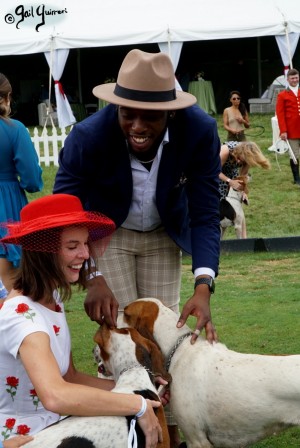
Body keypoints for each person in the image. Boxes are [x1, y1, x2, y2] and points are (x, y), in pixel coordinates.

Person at [53, 49, 221, 447]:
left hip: (164, 233)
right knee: (121, 340)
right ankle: (124, 433)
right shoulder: (89, 136)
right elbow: (66, 210)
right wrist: (91, 275)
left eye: (151, 116)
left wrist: (203, 285)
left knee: (162, 342)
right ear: (116, 105)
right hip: (109, 234)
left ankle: (169, 435)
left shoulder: (198, 130)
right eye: (128, 113)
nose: (138, 125)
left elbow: (205, 211)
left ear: (172, 113)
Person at [0, 193, 164, 447]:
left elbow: (70, 377)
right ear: (43, 251)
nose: (86, 254)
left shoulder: (52, 299)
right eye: (72, 246)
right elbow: (55, 395)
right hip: (25, 440)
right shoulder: (22, 316)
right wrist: (136, 404)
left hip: (56, 431)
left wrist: (141, 389)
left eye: (85, 244)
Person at [0, 73, 43, 293]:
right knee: (11, 291)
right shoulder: (14, 129)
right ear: (7, 98)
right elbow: (32, 181)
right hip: (6, 210)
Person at [219, 141, 271, 238]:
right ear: (239, 151)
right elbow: (214, 170)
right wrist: (229, 181)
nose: (238, 162)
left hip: (231, 176)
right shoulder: (225, 151)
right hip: (215, 176)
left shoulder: (247, 159)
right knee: (217, 208)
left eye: (242, 162)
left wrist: (243, 193)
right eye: (238, 158)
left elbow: (242, 177)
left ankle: (244, 240)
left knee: (238, 207)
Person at [276, 68, 300, 185]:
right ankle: (297, 178)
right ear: (288, 79)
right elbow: (280, 115)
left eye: (296, 77)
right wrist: (283, 131)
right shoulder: (282, 95)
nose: (295, 80)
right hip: (292, 130)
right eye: (292, 78)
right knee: (294, 155)